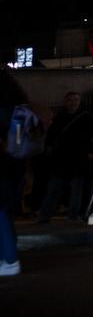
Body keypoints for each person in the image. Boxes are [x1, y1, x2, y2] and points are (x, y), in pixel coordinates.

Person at [36, 92, 93, 223]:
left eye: (75, 100)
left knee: (68, 190)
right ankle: (54, 215)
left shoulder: (82, 118)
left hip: (74, 159)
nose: (73, 103)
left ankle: (55, 215)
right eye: (70, 100)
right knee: (62, 189)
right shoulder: (82, 117)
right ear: (66, 102)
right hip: (66, 159)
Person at [0, 69, 28, 275]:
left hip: (3, 161)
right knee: (5, 210)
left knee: (0, 211)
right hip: (14, 161)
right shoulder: (17, 103)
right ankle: (8, 256)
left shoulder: (3, 109)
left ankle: (9, 259)